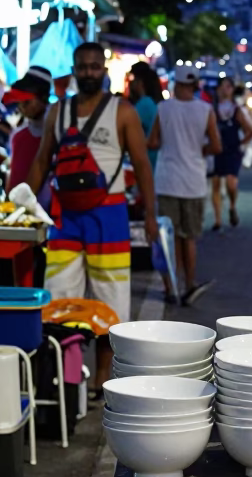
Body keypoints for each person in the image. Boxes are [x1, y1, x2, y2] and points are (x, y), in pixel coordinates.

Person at [28, 42, 158, 389]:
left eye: (93, 67)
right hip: (65, 218)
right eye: (82, 67)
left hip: (109, 216)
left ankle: (103, 376)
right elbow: (42, 162)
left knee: (110, 301)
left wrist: (149, 214)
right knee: (58, 298)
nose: (88, 73)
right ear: (74, 70)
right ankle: (65, 375)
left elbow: (142, 165)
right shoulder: (58, 112)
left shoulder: (123, 111)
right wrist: (20, 206)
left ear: (103, 69)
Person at [149, 64, 222, 305]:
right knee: (188, 237)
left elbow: (153, 141)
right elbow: (216, 146)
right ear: (195, 85)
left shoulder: (163, 108)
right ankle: (189, 284)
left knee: (168, 239)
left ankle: (171, 287)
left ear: (176, 84)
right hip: (193, 182)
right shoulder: (206, 110)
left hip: (167, 180)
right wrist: (199, 149)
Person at [211, 77, 252, 230]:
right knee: (215, 184)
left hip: (232, 150)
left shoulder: (237, 110)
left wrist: (240, 144)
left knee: (231, 182)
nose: (225, 90)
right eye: (222, 87)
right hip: (217, 150)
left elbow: (250, 130)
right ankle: (218, 220)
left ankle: (232, 206)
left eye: (228, 87)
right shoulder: (212, 109)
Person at [4, 65, 53, 206]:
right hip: (22, 212)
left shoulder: (60, 132)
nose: (22, 106)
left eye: (27, 101)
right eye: (19, 101)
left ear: (43, 98)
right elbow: (14, 178)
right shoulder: (18, 136)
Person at [127, 61, 163, 170]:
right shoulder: (152, 102)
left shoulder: (144, 104)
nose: (130, 82)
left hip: (146, 160)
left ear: (140, 82)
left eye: (133, 78)